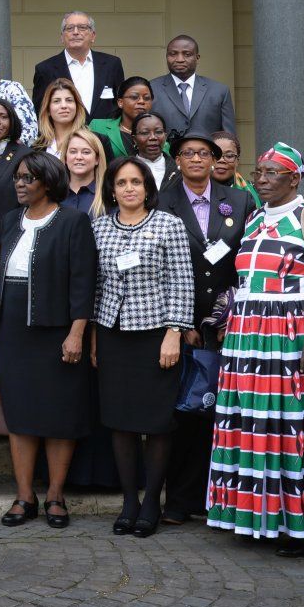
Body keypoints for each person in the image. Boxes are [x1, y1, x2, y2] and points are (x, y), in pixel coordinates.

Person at [207, 142, 304, 558]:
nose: (261, 179)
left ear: (295, 178)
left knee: (296, 429)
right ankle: (261, 518)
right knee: (255, 427)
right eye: (258, 172)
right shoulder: (255, 218)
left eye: (272, 172)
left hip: (294, 337)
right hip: (249, 341)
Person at [0, 150, 97, 530]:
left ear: (48, 182)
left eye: (27, 179)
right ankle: (24, 496)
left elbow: (84, 282)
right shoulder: (8, 220)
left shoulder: (72, 222)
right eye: (17, 178)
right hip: (13, 331)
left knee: (59, 414)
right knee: (19, 415)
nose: (19, 184)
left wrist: (76, 333)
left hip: (57, 331)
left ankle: (55, 495)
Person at [92, 157, 194, 538]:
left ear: (147, 188)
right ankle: (128, 502)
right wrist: (93, 340)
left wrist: (174, 333)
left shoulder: (168, 225)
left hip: (156, 336)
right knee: (120, 422)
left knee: (157, 422)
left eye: (136, 182)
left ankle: (152, 500)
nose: (129, 188)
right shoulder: (100, 227)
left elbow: (182, 283)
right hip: (113, 334)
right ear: (112, 189)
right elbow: (96, 285)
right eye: (121, 183)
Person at [155, 133, 250, 526]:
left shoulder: (240, 201)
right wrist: (182, 323)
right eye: (188, 153)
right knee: (185, 413)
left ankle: (219, 499)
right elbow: (159, 267)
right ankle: (179, 499)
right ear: (177, 160)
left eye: (204, 153)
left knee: (222, 415)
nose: (196, 158)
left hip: (229, 325)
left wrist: (231, 317)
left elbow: (246, 260)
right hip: (182, 326)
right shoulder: (162, 200)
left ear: (215, 159)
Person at [32, 10, 127, 122]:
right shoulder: (45, 69)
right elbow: (40, 111)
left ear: (93, 36)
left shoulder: (112, 64)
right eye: (70, 28)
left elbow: (122, 103)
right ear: (62, 37)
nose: (76, 32)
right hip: (66, 137)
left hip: (106, 137)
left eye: (82, 27)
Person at [148, 35, 236, 140]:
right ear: (167, 57)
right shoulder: (151, 89)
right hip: (167, 155)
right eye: (173, 54)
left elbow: (229, 138)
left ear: (197, 58)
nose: (180, 59)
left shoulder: (219, 91)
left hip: (207, 155)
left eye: (187, 54)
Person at [88, 75, 154, 160]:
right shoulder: (98, 126)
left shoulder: (156, 132)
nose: (141, 101)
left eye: (147, 98)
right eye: (134, 97)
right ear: (120, 102)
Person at [31, 76, 90, 158]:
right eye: (56, 101)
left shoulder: (96, 141)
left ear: (77, 107)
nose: (64, 105)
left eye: (69, 100)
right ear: (48, 109)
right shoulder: (36, 148)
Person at [60, 130, 108, 217]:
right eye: (73, 151)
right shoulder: (54, 194)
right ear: (65, 158)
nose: (78, 157)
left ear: (97, 159)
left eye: (86, 152)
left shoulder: (108, 194)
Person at [211, 130, 263, 210]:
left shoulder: (256, 192)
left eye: (229, 156)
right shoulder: (193, 192)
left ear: (237, 161)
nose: (221, 160)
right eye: (216, 155)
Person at [130, 112, 174, 190]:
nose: (153, 137)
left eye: (158, 132)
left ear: (165, 137)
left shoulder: (178, 168)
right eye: (145, 133)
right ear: (134, 139)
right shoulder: (123, 168)